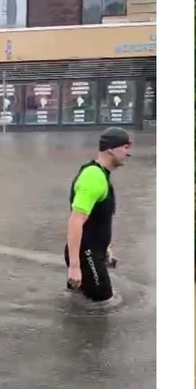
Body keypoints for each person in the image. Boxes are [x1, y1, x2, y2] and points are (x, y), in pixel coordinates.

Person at [64, 127, 132, 302]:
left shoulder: (101, 175)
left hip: (91, 252)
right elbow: (76, 221)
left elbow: (96, 220)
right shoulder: (93, 177)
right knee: (105, 305)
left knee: (82, 303)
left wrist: (106, 249)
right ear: (111, 149)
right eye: (125, 147)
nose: (128, 153)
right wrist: (74, 266)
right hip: (86, 254)